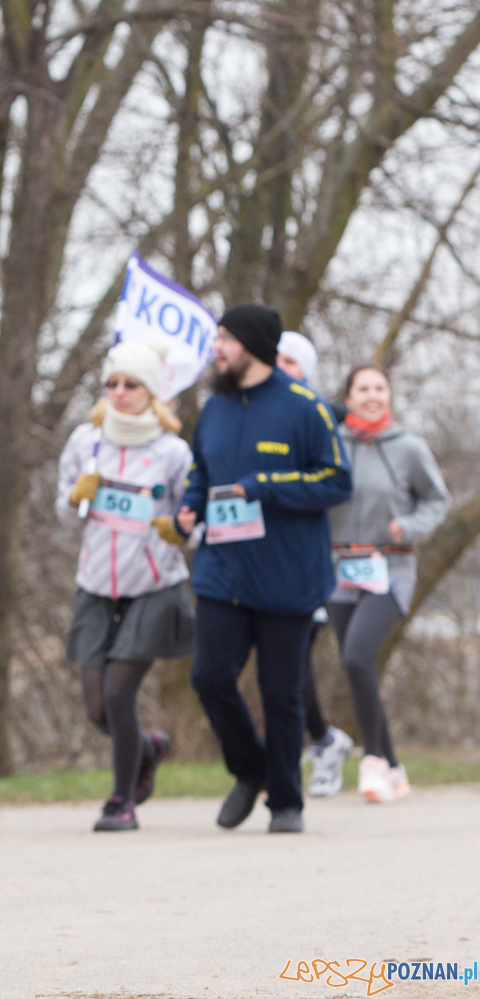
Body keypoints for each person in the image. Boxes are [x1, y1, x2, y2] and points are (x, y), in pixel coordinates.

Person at [175, 304, 352, 834]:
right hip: (222, 573)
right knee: (209, 678)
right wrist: (191, 507)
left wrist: (268, 485)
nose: (216, 349)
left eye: (224, 338)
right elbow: (200, 474)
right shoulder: (214, 409)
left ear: (252, 343)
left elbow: (338, 481)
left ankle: (286, 802)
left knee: (281, 694)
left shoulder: (305, 408)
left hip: (288, 576)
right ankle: (250, 771)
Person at [57, 341, 195, 832]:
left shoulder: (173, 452)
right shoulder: (85, 442)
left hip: (153, 585)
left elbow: (191, 520)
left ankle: (122, 801)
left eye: (130, 385)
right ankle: (150, 749)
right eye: (112, 383)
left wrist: (179, 528)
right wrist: (77, 498)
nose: (119, 393)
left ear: (151, 392)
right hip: (95, 583)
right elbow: (63, 512)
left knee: (119, 694)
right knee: (96, 705)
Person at [328, 364, 449, 802]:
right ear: (350, 396)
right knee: (354, 665)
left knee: (360, 657)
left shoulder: (408, 447)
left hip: (391, 569)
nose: (372, 395)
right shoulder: (332, 445)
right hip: (342, 568)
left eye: (380, 388)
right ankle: (395, 769)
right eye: (363, 389)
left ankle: (374, 761)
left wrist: (410, 525)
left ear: (390, 395)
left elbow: (437, 500)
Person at [274, 331, 355, 796]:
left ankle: (322, 743)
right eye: (276, 361)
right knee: (284, 667)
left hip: (316, 562)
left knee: (292, 664)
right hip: (267, 561)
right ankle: (322, 740)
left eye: (292, 362)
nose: (282, 368)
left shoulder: (323, 420)